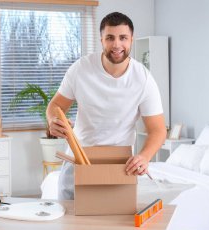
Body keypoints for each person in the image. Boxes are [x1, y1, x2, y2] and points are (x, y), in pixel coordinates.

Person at [46, 11, 166, 201]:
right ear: (101, 40)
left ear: (131, 40)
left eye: (123, 38)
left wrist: (144, 157)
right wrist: (53, 119)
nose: (117, 44)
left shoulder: (143, 79)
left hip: (119, 163)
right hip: (79, 156)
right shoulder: (80, 69)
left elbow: (158, 130)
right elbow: (56, 105)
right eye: (110, 37)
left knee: (113, 226)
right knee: (69, 225)